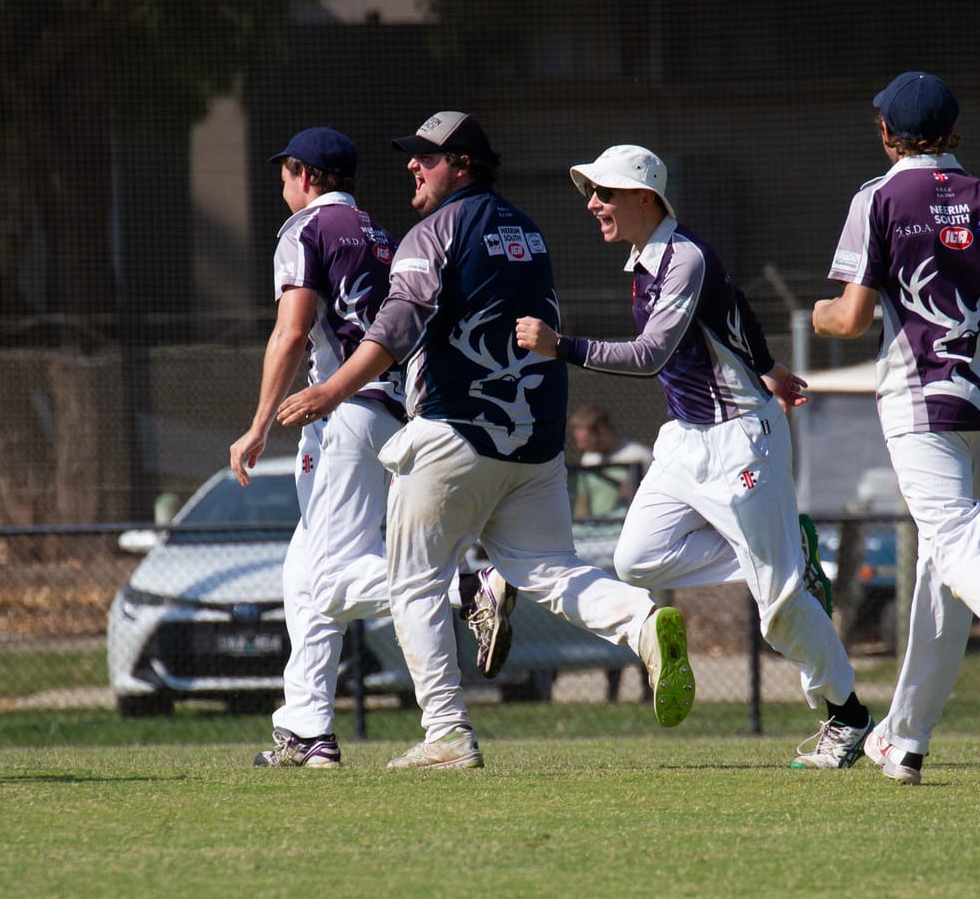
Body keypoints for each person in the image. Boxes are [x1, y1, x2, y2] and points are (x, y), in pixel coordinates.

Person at [275, 110, 695, 770]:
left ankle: (446, 730)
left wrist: (328, 393)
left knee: (411, 580)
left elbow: (391, 331)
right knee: (554, 570)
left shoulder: (433, 231)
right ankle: (642, 619)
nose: (413, 164)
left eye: (428, 156)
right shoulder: (527, 230)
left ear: (463, 164)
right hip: (536, 443)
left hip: (455, 432)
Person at [515, 144, 872, 770]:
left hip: (741, 441)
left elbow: (650, 354)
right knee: (636, 559)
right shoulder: (650, 261)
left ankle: (848, 718)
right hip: (685, 438)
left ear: (646, 199)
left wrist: (559, 346)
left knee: (780, 613)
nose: (593, 203)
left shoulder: (683, 257)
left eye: (606, 192)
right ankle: (785, 550)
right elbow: (738, 308)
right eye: (591, 192)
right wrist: (768, 367)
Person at [812, 71, 980, 786]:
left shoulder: (879, 198)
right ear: (954, 130)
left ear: (887, 133)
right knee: (941, 568)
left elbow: (853, 317)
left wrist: (818, 315)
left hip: (919, 398)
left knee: (958, 544)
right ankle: (904, 741)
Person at [229, 127, 404, 769]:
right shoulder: (381, 233)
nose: (282, 184)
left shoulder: (306, 230)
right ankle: (307, 732)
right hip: (388, 408)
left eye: (283, 173)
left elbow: (292, 331)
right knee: (304, 573)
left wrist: (257, 425)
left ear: (304, 173)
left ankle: (462, 583)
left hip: (344, 413)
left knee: (330, 578)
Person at [568, 404, 652, 517]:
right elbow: (583, 502)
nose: (580, 447)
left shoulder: (640, 456)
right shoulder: (588, 460)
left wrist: (635, 493)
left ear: (603, 430)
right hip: (598, 530)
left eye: (586, 440)